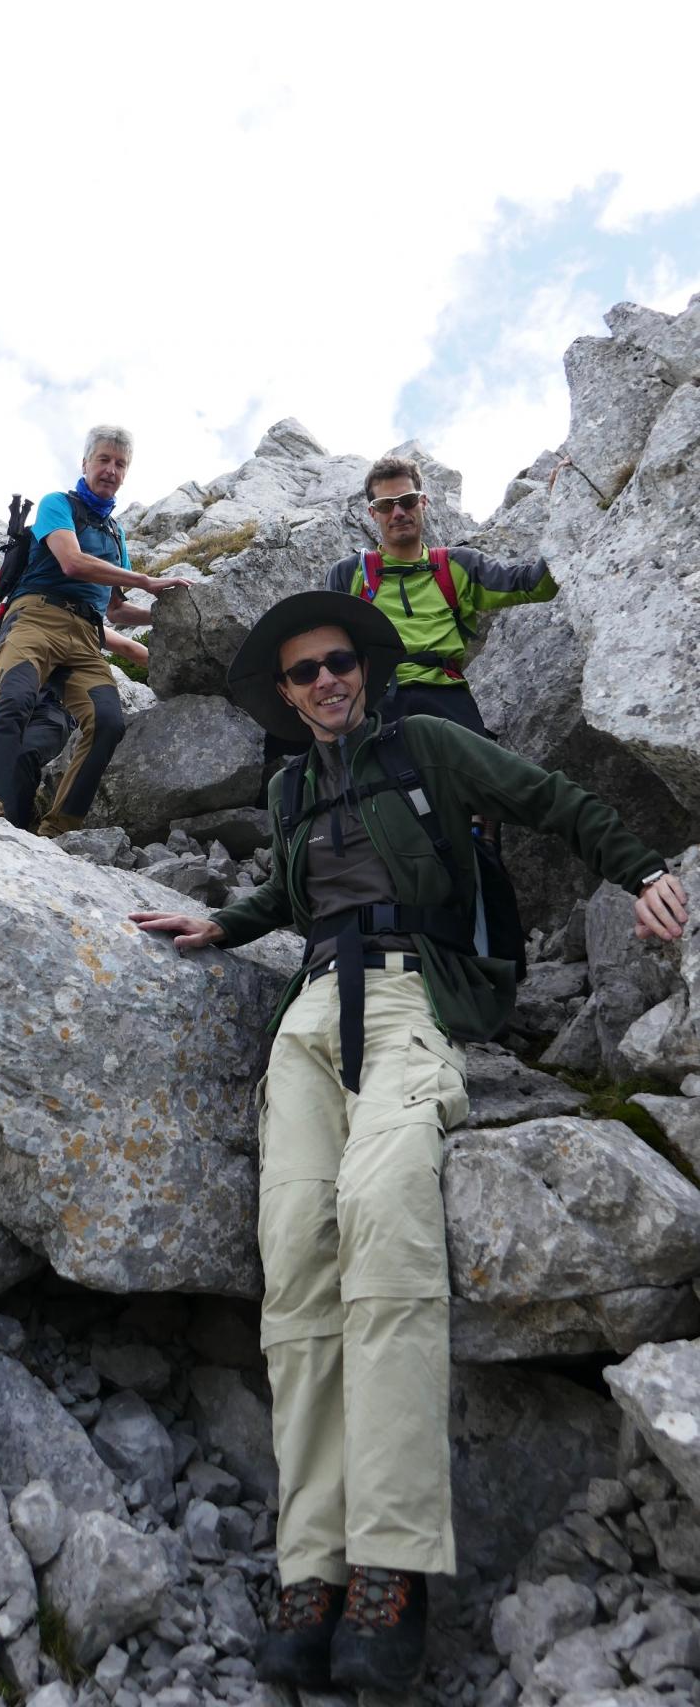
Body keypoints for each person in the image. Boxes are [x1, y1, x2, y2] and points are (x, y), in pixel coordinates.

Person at [131, 590, 686, 1696]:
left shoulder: (427, 742)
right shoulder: (290, 785)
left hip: (406, 1003)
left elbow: (552, 797)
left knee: (383, 1225)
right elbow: (290, 893)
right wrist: (224, 923)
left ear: (365, 669)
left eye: (339, 661)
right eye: (304, 673)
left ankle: (391, 1563)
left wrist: (644, 871)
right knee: (294, 1260)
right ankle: (313, 1566)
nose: (327, 679)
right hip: (305, 1024)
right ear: (285, 696)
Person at [0, 427, 185, 837]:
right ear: (85, 464)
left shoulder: (115, 534)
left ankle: (57, 829)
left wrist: (174, 615)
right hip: (35, 618)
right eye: (103, 460)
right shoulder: (57, 504)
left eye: (120, 464)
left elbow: (116, 608)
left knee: (108, 722)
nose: (111, 470)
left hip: (86, 637)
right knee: (15, 697)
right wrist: (145, 579)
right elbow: (71, 562)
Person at [326, 454, 563, 734]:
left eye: (408, 500)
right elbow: (329, 650)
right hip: (376, 703)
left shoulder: (458, 565)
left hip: (447, 697)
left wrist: (562, 504)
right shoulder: (349, 573)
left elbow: (536, 585)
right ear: (372, 513)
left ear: (423, 502)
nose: (399, 512)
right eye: (386, 505)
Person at [0, 629, 149, 831]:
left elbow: (130, 647)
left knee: (25, 752)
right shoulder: (13, 620)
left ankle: (17, 823)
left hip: (52, 708)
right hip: (12, 702)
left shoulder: (77, 615)